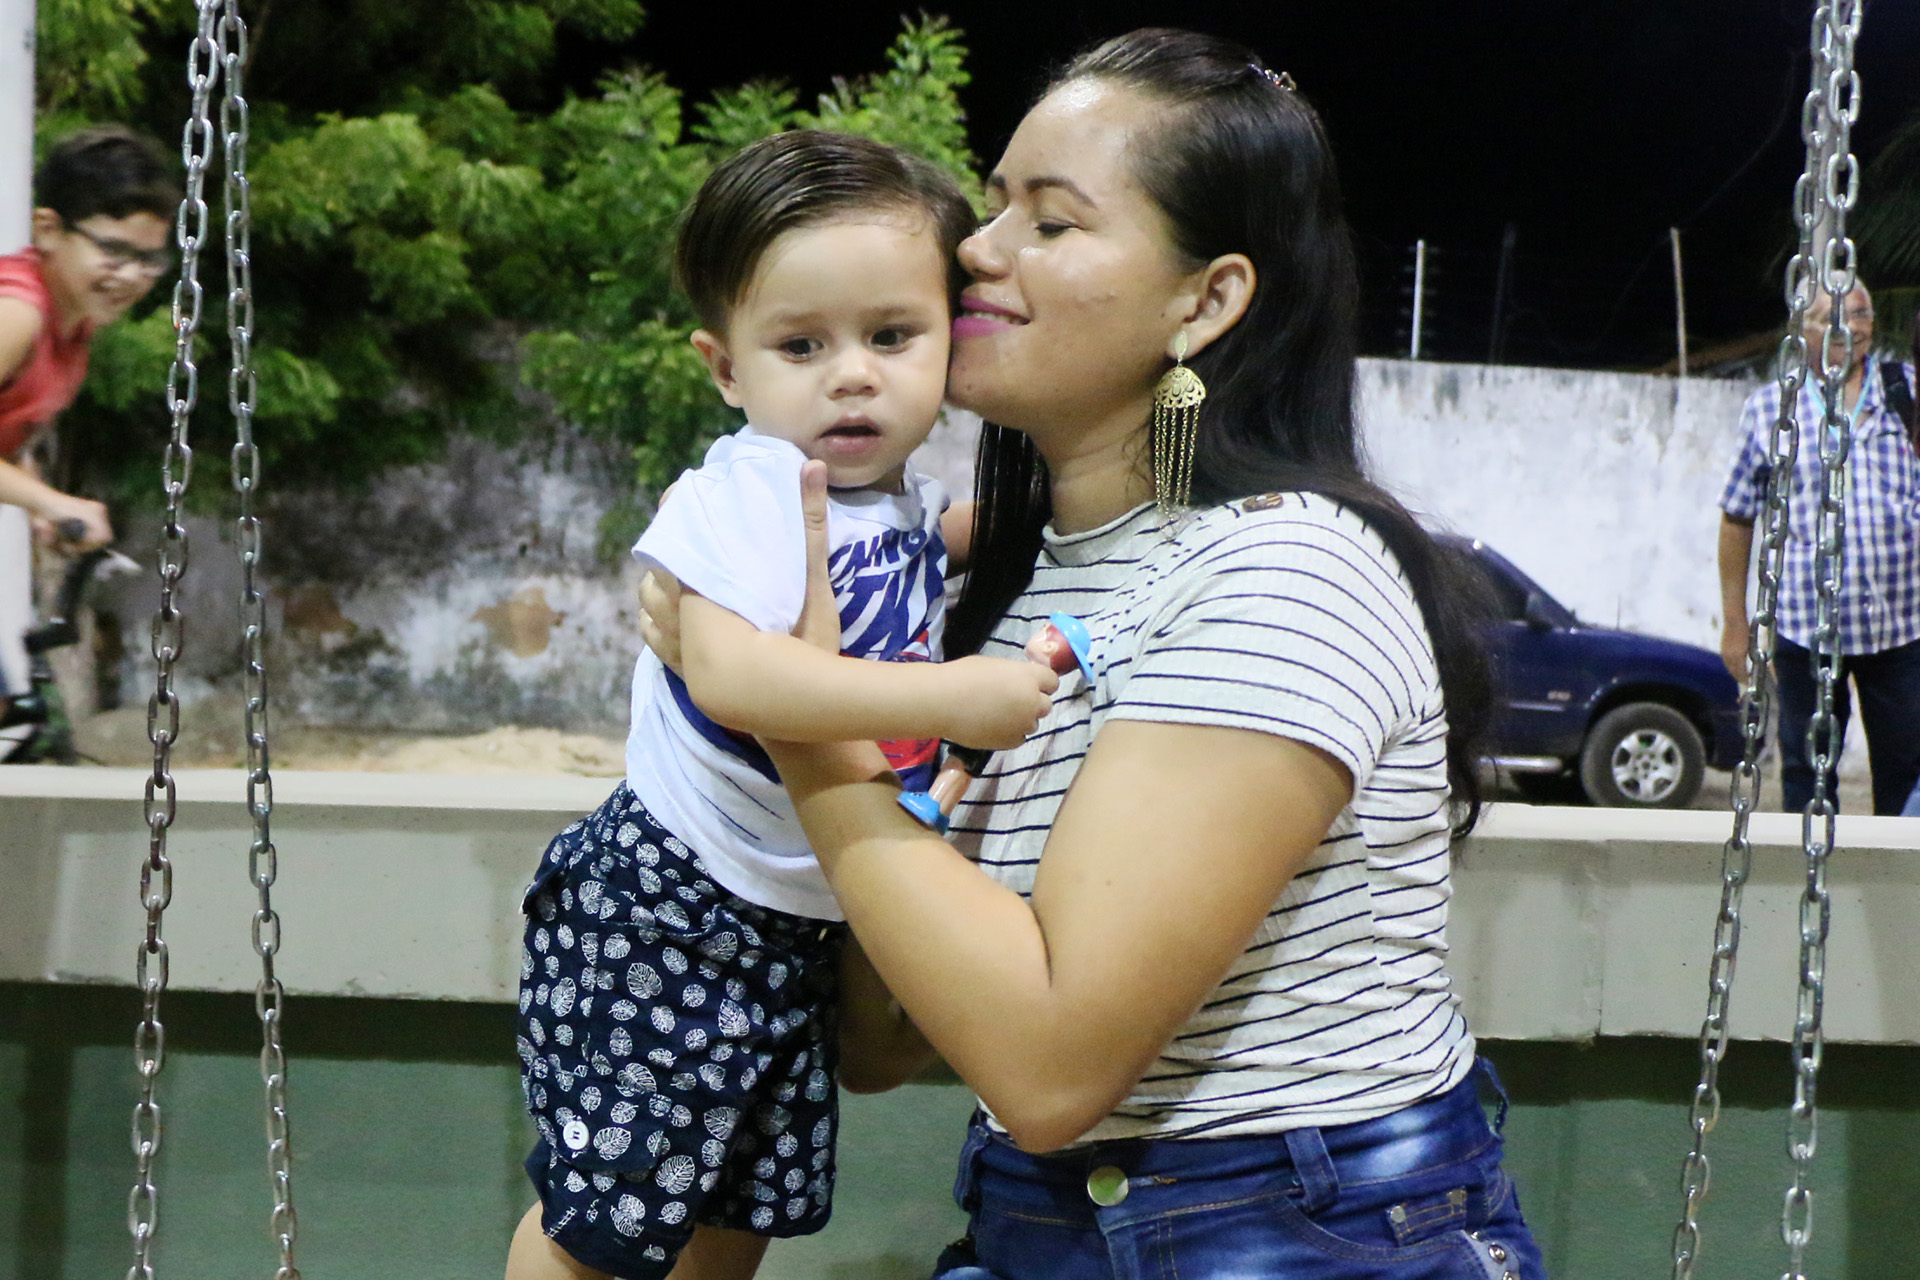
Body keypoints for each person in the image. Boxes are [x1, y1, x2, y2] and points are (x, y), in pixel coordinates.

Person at [643, 29, 1544, 1280]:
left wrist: (795, 708)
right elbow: (887, 1036)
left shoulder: (1281, 572)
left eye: (1050, 221)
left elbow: (1051, 1064)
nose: (979, 249)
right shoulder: (1011, 582)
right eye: (993, 204)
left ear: (1205, 301)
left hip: (1298, 1235)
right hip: (1046, 1222)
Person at [504, 131, 1057, 1280]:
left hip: (792, 912)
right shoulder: (750, 487)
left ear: (950, 340)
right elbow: (736, 677)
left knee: (738, 1204)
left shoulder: (899, 498)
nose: (851, 374)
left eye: (892, 336)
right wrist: (955, 691)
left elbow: (938, 546)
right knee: (607, 1216)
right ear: (726, 368)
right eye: (801, 344)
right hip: (674, 900)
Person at [1717, 282, 1920, 815]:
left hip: (1902, 631)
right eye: (1831, 316)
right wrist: (1735, 624)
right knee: (1808, 778)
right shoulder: (1771, 410)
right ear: (1801, 329)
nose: (1848, 328)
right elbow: (1737, 518)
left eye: (1860, 313)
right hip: (1807, 631)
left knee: (1907, 778)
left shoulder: (1906, 393)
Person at [0, 125, 175, 725]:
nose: (130, 275)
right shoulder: (18, 312)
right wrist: (49, 501)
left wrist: (37, 503)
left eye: (149, 258)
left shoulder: (71, 323)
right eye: (113, 250)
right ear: (49, 230)